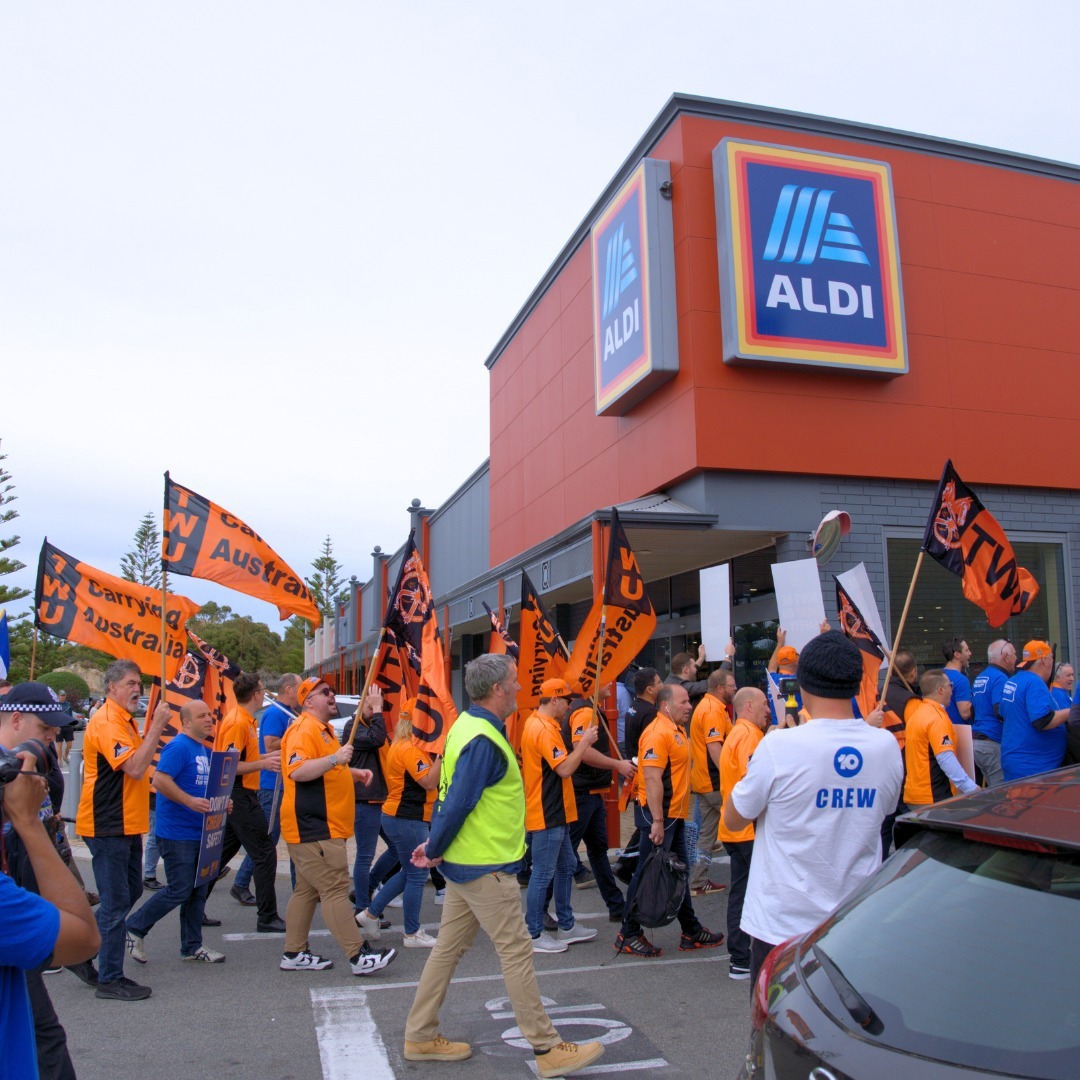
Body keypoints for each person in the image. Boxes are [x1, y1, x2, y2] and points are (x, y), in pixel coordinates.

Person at [403, 654, 604, 1077]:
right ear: (497, 689)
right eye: (513, 681)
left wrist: (437, 846)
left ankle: (420, 1035)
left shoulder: (466, 726)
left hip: (467, 863)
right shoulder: (483, 737)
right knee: (516, 952)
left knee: (447, 951)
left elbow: (449, 793)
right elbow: (457, 800)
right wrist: (435, 845)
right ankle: (547, 1048)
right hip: (485, 866)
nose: (518, 688)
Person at [722, 630, 903, 988]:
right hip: (857, 918)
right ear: (858, 682)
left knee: (777, 1030)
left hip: (783, 925)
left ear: (800, 684)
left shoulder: (778, 746)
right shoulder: (885, 746)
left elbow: (734, 816)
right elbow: (883, 811)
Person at [279, 677, 395, 976]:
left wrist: (351, 772)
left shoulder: (322, 729)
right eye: (324, 693)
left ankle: (294, 952)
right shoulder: (304, 729)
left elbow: (325, 768)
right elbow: (298, 771)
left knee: (306, 891)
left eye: (331, 691)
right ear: (308, 701)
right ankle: (358, 956)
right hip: (314, 826)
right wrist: (335, 759)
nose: (332, 695)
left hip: (318, 825)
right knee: (334, 889)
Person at [0, 682, 86, 1078]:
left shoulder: (27, 771)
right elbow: (84, 938)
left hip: (25, 910)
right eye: (43, 731)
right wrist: (25, 821)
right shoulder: (16, 777)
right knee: (45, 1035)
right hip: (17, 915)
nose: (50, 741)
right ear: (15, 719)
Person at [75, 659, 172, 1001]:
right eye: (130, 683)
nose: (137, 689)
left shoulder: (124, 719)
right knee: (117, 902)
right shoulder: (106, 720)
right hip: (107, 824)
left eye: (139, 684)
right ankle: (110, 978)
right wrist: (157, 727)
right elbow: (133, 766)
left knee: (129, 893)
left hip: (127, 823)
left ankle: (80, 948)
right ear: (111, 687)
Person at [614, 683, 725, 958]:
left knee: (678, 871)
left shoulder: (675, 729)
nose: (689, 706)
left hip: (671, 816)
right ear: (666, 705)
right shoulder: (656, 732)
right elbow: (651, 778)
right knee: (647, 874)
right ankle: (628, 933)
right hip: (658, 816)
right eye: (684, 701)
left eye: (689, 701)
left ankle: (691, 930)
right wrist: (658, 822)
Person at [125, 700, 229, 967]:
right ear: (186, 722)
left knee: (197, 891)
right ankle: (134, 927)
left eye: (210, 714)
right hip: (177, 833)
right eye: (202, 716)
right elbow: (159, 780)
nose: (209, 719)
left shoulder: (203, 749)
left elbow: (203, 788)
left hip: (200, 832)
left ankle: (191, 947)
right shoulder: (178, 746)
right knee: (180, 889)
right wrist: (189, 801)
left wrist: (221, 801)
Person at [519, 678, 598, 953]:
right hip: (548, 811)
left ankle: (566, 925)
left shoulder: (537, 723)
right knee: (542, 873)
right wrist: (584, 743)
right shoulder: (543, 729)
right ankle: (534, 933)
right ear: (554, 700)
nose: (569, 706)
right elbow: (564, 769)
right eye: (566, 700)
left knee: (564, 867)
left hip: (555, 811)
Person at [356, 698, 441, 948]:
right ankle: (411, 933)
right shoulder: (410, 748)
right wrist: (442, 756)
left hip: (402, 816)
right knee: (416, 874)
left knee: (409, 871)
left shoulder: (402, 744)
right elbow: (428, 782)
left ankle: (370, 913)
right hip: (407, 818)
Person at [209, 672, 285, 932]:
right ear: (255, 694)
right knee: (265, 852)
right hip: (238, 794)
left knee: (219, 856)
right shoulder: (238, 722)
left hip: (241, 794)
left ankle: (193, 908)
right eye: (263, 689)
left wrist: (262, 760)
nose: (265, 693)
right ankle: (267, 917)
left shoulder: (247, 721)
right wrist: (264, 763)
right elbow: (227, 766)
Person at [559, 688, 633, 924]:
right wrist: (617, 765)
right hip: (582, 793)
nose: (610, 688)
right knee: (564, 854)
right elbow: (584, 751)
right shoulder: (583, 711)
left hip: (590, 793)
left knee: (597, 851)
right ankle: (541, 912)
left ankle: (616, 906)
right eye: (606, 680)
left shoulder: (588, 708)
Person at [716, 687, 770, 980]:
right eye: (763, 704)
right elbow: (756, 782)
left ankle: (739, 956)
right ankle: (742, 955)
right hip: (747, 828)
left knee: (740, 891)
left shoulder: (737, 733)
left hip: (735, 826)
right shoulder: (749, 735)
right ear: (748, 705)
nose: (767, 709)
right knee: (754, 892)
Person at [232, 672, 300, 903]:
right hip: (271, 784)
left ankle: (299, 886)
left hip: (286, 782)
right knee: (267, 840)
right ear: (289, 689)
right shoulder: (274, 713)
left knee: (288, 837)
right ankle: (241, 883)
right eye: (299, 688)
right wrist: (297, 734)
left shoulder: (289, 713)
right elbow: (271, 743)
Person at [341, 685, 390, 914]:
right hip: (364, 800)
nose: (376, 711)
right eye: (371, 706)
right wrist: (378, 710)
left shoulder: (368, 725)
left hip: (379, 798)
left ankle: (367, 888)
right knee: (365, 854)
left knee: (399, 849)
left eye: (377, 705)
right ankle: (362, 907)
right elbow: (377, 740)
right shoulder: (353, 727)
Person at [688, 668, 735, 895]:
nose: (735, 688)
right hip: (715, 782)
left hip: (705, 782)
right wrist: (730, 775)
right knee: (746, 826)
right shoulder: (713, 710)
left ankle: (698, 881)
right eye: (731, 685)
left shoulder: (708, 706)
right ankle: (754, 876)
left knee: (706, 835)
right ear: (719, 688)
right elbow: (714, 747)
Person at [903, 670, 979, 810]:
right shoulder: (937, 718)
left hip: (915, 794)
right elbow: (946, 758)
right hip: (933, 795)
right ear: (941, 690)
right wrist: (971, 788)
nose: (952, 689)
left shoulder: (918, 713)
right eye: (950, 685)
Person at [1000, 640, 1070, 783]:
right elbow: (1042, 721)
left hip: (1017, 761)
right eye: (1051, 657)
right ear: (1044, 660)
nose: (1052, 662)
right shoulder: (1034, 682)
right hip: (1032, 767)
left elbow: (1001, 714)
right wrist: (1073, 711)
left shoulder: (1013, 680)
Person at [971, 639, 1016, 788]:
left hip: (978, 742)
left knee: (992, 791)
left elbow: (974, 708)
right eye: (1014, 654)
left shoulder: (981, 677)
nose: (1016, 659)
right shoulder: (1000, 678)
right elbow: (1000, 711)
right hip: (992, 743)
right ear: (1006, 657)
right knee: (1001, 794)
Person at [942, 637, 974, 725]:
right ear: (957, 655)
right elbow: (965, 713)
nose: (970, 653)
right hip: (960, 733)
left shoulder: (937, 675)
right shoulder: (961, 680)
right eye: (966, 650)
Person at [55, 691, 75, 767]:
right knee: (59, 745)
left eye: (64, 695)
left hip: (68, 726)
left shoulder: (68, 704)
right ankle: (59, 760)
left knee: (70, 744)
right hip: (59, 726)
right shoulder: (56, 705)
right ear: (58, 696)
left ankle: (65, 756)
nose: (63, 697)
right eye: (62, 695)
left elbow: (70, 715)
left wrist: (72, 724)